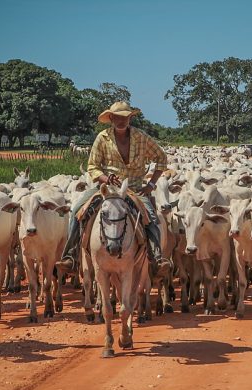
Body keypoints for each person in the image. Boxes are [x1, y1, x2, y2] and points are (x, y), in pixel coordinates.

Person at [55, 101, 171, 278]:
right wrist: (105, 178)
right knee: (77, 211)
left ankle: (156, 259)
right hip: (106, 189)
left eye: (125, 117)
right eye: (117, 117)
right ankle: (70, 256)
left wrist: (151, 185)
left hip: (134, 188)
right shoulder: (102, 138)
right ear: (111, 118)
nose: (121, 121)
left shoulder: (141, 137)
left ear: (130, 118)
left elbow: (162, 159)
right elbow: (93, 166)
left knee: (152, 218)